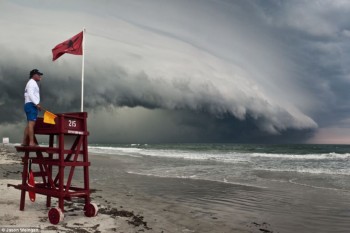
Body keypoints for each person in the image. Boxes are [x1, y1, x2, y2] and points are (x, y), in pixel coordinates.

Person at [22, 69, 43, 146]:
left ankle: (24, 142)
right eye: (38, 74)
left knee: (29, 124)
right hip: (31, 105)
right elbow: (30, 94)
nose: (40, 76)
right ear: (34, 75)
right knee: (31, 124)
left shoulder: (30, 83)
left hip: (29, 104)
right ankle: (31, 142)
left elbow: (28, 95)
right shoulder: (32, 83)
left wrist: (36, 104)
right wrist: (37, 104)